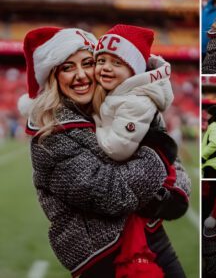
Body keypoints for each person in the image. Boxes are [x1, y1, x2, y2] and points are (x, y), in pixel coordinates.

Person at [18, 26, 191, 278]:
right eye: (67, 68)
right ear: (53, 78)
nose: (80, 75)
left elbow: (176, 170)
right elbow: (112, 194)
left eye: (87, 63)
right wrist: (157, 155)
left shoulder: (119, 107)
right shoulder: (50, 136)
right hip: (102, 254)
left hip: (149, 234)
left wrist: (170, 191)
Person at [92, 24, 177, 163]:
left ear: (134, 70)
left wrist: (93, 124)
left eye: (117, 62)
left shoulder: (136, 101)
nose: (106, 67)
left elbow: (117, 149)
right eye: (101, 61)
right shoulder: (119, 93)